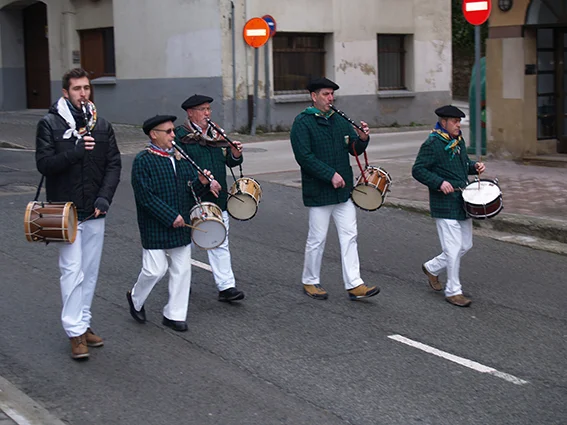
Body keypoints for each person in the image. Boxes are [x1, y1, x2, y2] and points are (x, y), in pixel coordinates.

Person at [35, 68, 122, 360]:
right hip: (65, 211)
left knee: (90, 272)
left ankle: (83, 323)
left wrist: (104, 197)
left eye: (86, 88)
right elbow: (44, 164)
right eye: (77, 89)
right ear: (65, 93)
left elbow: (113, 164)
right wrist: (75, 151)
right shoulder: (49, 124)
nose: (83, 93)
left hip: (94, 209)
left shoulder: (102, 126)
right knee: (72, 271)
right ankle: (74, 332)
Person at [127, 115, 221, 332]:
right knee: (154, 270)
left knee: (182, 270)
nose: (173, 135)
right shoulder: (143, 160)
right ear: (154, 134)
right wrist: (170, 216)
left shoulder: (180, 157)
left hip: (181, 223)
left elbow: (190, 191)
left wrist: (202, 183)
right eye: (168, 131)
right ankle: (135, 298)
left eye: (172, 131)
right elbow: (145, 197)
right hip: (155, 225)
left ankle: (174, 314)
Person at [290, 77, 380, 301]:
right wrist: (330, 174)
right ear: (314, 96)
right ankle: (310, 280)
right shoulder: (302, 122)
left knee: (350, 235)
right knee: (317, 239)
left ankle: (354, 284)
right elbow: (304, 157)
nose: (330, 98)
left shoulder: (339, 119)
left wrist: (362, 139)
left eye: (332, 94)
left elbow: (353, 149)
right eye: (325, 94)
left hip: (343, 191)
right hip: (319, 190)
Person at [412, 105, 486, 307]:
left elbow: (463, 164)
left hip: (462, 201)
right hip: (443, 202)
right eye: (455, 121)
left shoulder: (458, 140)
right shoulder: (432, 143)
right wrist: (439, 183)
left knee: (465, 245)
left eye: (459, 121)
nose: (458, 125)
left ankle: (432, 268)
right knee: (453, 248)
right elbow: (418, 170)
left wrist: (474, 167)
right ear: (443, 122)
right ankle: (453, 291)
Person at [174, 94, 245, 302]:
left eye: (209, 109)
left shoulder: (216, 134)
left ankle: (226, 287)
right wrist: (204, 180)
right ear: (190, 113)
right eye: (202, 109)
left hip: (217, 199)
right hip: (192, 198)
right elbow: (180, 168)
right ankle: (181, 284)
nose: (207, 113)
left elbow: (229, 162)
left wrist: (235, 153)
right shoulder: (180, 136)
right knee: (185, 245)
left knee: (219, 241)